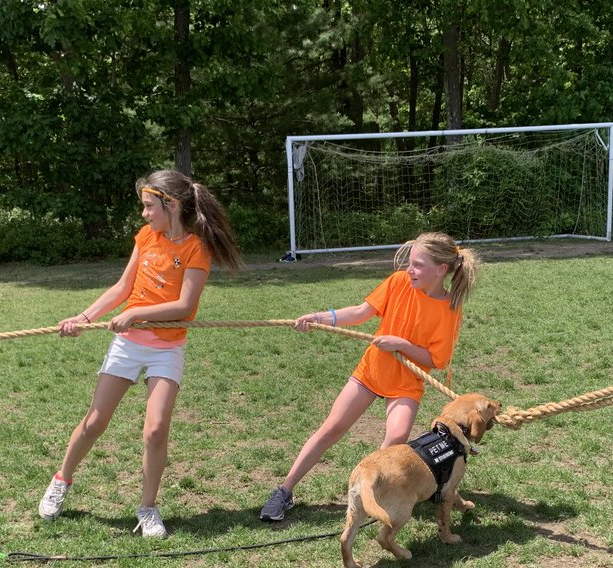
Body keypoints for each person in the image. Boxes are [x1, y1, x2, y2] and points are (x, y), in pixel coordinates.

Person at [38, 170, 240, 537]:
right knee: (95, 422)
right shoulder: (147, 237)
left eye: (149, 207)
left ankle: (147, 507)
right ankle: (61, 479)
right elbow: (123, 286)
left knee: (156, 430)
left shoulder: (196, 248)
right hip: (129, 344)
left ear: (172, 205)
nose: (144, 215)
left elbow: (185, 305)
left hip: (167, 347)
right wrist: (84, 318)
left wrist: (136, 313)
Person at [259, 232, 480, 522]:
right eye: (410, 263)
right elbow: (362, 312)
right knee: (331, 428)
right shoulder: (399, 283)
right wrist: (320, 317)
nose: (409, 270)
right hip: (372, 372)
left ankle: (370, 496)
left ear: (441, 270)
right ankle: (285, 491)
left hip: (406, 384)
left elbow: (436, 361)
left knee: (397, 437)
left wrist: (400, 344)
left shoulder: (450, 309)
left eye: (418, 265)